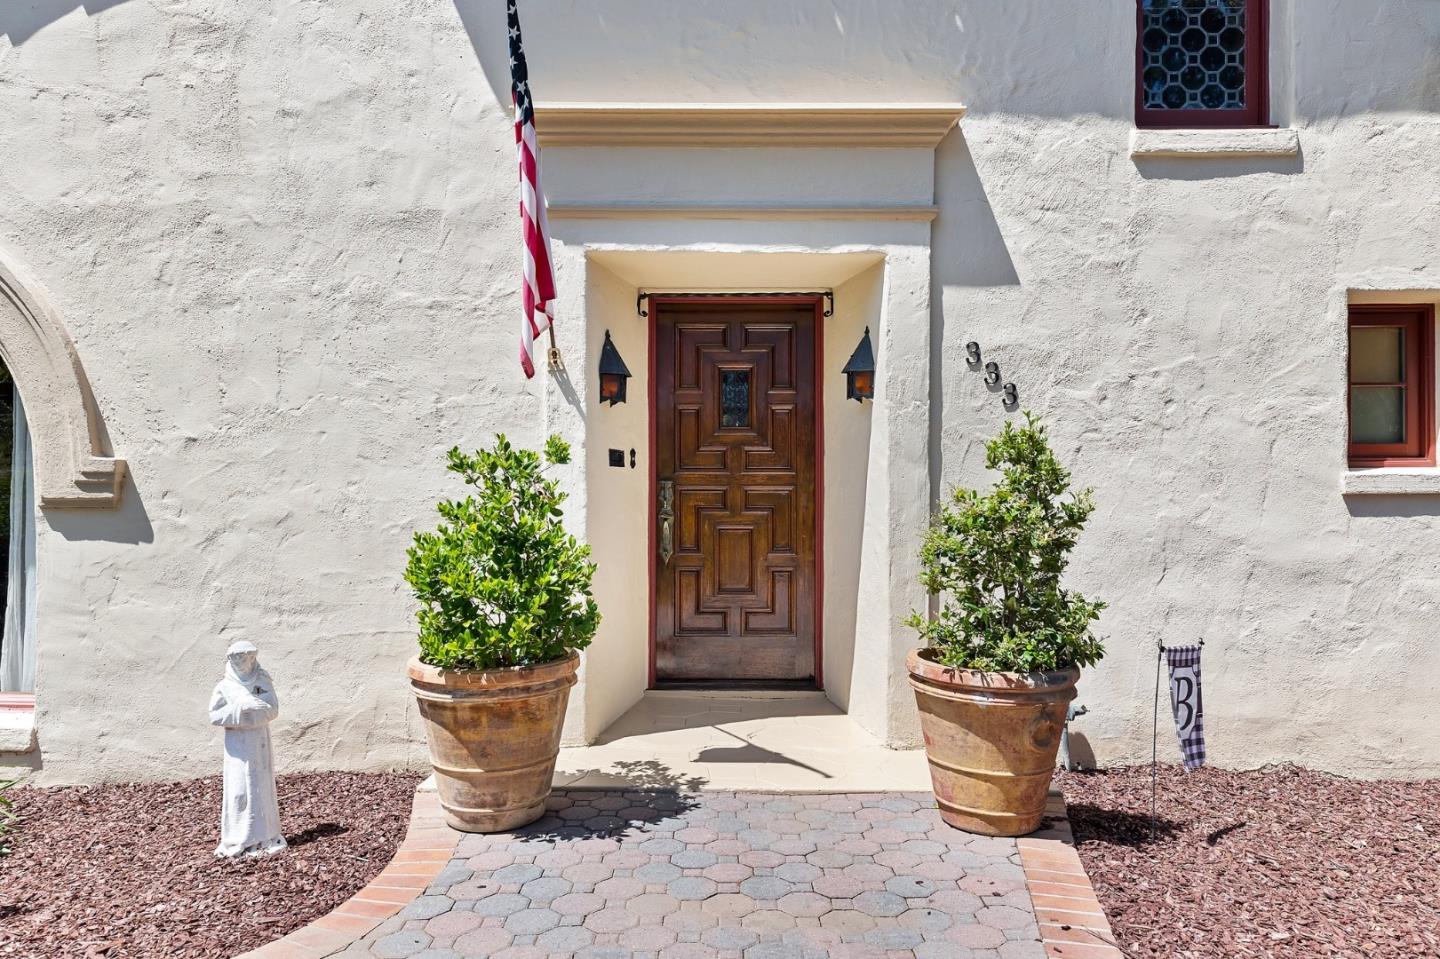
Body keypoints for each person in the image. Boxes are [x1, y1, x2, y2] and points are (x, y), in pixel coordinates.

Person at [208, 640, 286, 858]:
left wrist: (260, 708)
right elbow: (214, 716)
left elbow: (273, 709)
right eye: (238, 659)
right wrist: (241, 708)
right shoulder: (224, 687)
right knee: (239, 789)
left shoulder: (262, 680)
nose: (244, 663)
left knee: (261, 788)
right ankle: (238, 837)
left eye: (248, 658)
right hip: (237, 747)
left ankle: (266, 836)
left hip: (259, 742)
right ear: (231, 660)